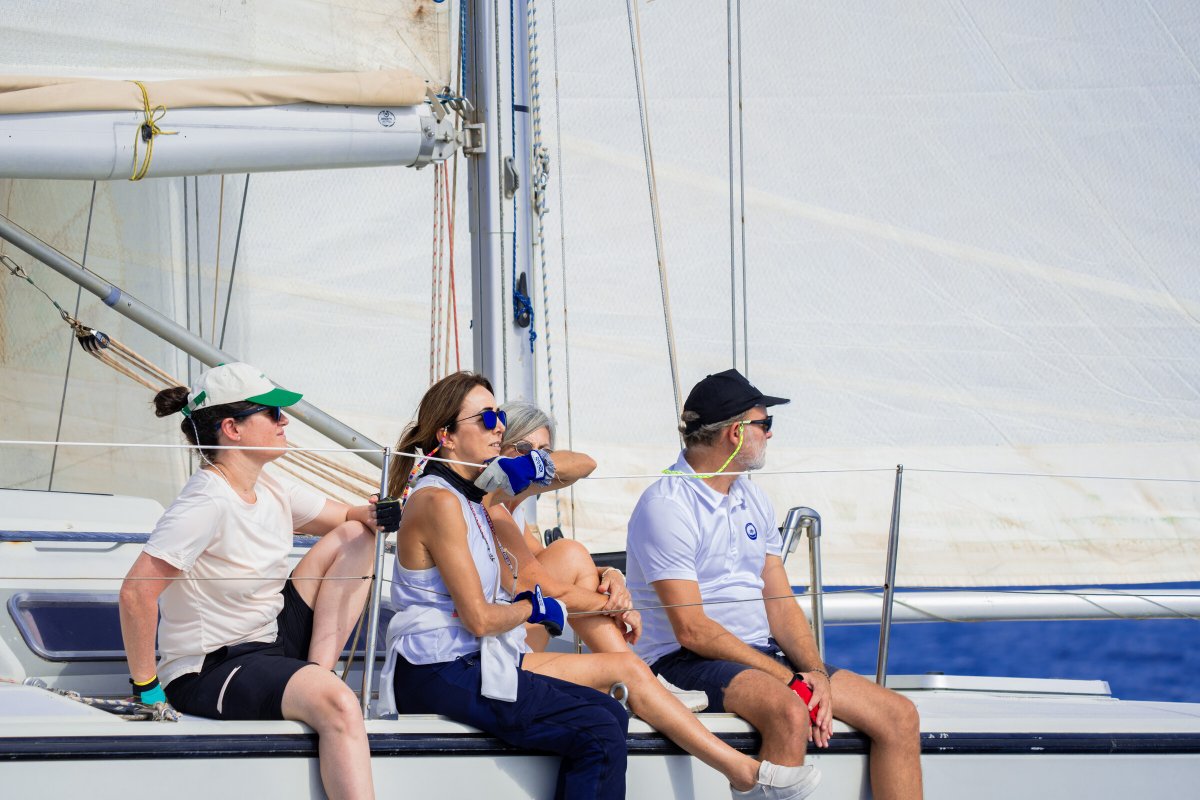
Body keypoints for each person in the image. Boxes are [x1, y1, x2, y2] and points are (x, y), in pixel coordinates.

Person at [379, 371, 821, 800]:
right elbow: (479, 616)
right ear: (447, 437)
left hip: (474, 658)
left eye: (499, 417)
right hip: (438, 667)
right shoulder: (442, 501)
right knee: (599, 725)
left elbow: (585, 465)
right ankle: (743, 771)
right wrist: (534, 610)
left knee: (609, 710)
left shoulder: (473, 495)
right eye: (487, 420)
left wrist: (527, 465)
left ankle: (742, 772)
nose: (498, 428)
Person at [625, 368, 924, 800]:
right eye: (765, 425)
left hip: (754, 654)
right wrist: (790, 680)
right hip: (679, 661)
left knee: (900, 715)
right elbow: (692, 630)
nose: (769, 435)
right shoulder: (666, 506)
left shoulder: (751, 497)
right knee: (788, 710)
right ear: (734, 432)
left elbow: (780, 602)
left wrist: (814, 672)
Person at [119, 363, 390, 800]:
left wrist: (377, 511)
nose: (285, 422)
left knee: (358, 536)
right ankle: (324, 693)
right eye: (272, 413)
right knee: (341, 703)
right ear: (232, 428)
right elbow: (136, 592)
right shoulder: (206, 501)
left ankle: (317, 677)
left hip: (271, 642)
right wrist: (146, 689)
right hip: (211, 668)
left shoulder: (271, 487)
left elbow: (347, 517)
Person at [496, 401, 633, 652]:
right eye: (524, 448)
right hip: (495, 650)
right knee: (570, 551)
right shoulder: (491, 508)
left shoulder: (513, 508)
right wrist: (616, 606)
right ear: (499, 449)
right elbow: (541, 585)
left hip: (512, 635)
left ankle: (624, 666)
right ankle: (624, 666)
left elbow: (586, 464)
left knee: (570, 552)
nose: (535, 459)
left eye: (544, 453)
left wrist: (609, 574)